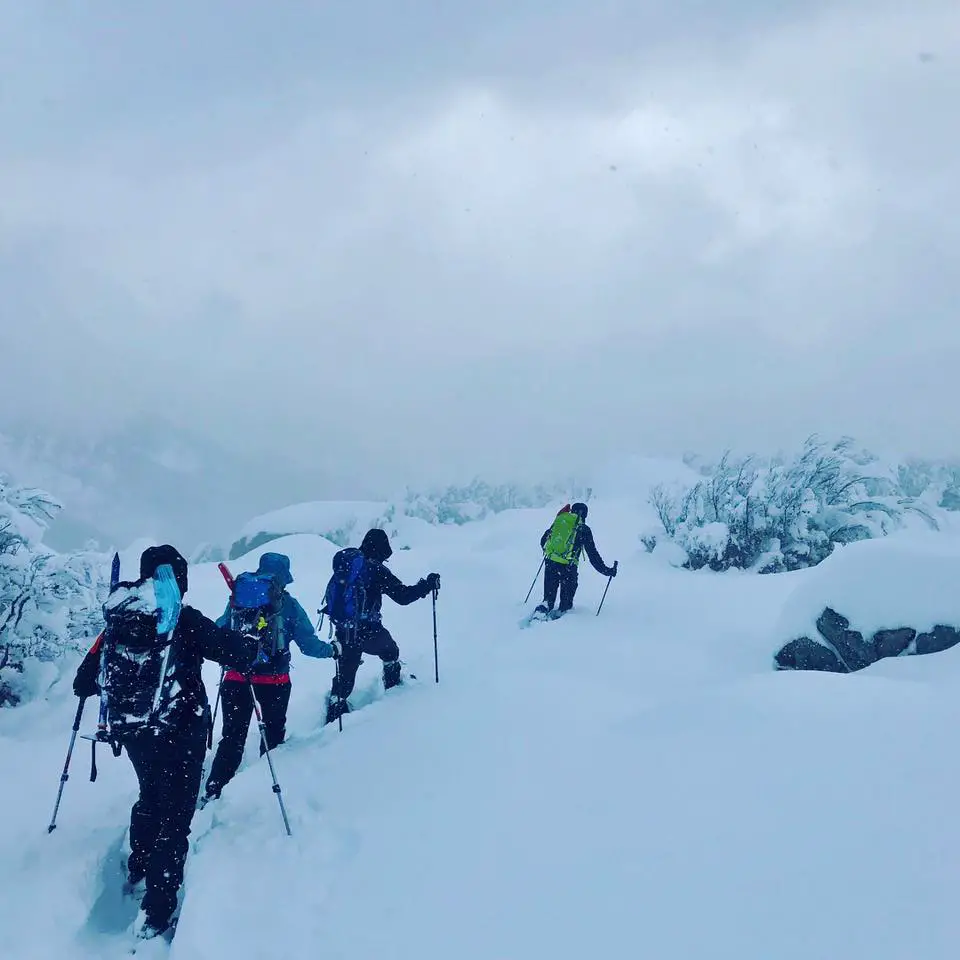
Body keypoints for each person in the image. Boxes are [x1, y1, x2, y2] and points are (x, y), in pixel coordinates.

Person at [72, 545, 258, 942]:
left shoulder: (121, 618)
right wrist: (250, 642)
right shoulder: (182, 619)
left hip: (135, 731)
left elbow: (83, 680)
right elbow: (235, 653)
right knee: (176, 816)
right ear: (179, 579)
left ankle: (139, 864)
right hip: (182, 731)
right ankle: (157, 910)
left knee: (151, 795)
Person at [201, 551, 333, 806]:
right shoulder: (289, 605)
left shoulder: (238, 600)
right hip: (275, 682)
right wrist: (332, 651)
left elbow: (218, 631)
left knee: (232, 737)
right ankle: (261, 792)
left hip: (237, 678)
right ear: (283, 578)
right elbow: (309, 645)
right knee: (272, 734)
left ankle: (215, 789)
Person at [322, 528, 439, 725]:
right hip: (369, 630)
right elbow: (403, 596)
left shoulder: (347, 567)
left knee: (345, 677)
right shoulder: (375, 570)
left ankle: (334, 712)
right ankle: (394, 691)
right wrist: (426, 585)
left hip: (344, 631)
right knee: (391, 651)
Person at [534, 502, 617, 617]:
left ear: (572, 511)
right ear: (585, 515)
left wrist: (553, 553)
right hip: (568, 568)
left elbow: (543, 541)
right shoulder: (584, 529)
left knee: (548, 599)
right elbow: (593, 556)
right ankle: (562, 618)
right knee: (566, 605)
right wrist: (607, 571)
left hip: (550, 564)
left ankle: (543, 608)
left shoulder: (560, 521)